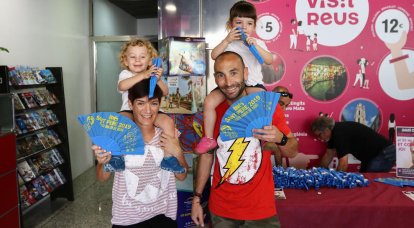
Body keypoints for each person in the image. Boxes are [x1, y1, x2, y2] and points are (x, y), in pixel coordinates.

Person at [191, 52, 298, 227]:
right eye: (221, 75)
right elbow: (207, 155)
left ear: (245, 73)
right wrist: (197, 198)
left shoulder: (267, 108)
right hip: (221, 209)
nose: (228, 82)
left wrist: (281, 139)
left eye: (234, 73)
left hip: (260, 209)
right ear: (216, 79)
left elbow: (293, 150)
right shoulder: (213, 113)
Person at [92, 79, 188, 227]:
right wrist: (103, 162)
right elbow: (102, 178)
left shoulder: (167, 135)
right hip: (127, 219)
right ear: (130, 104)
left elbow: (182, 176)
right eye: (140, 103)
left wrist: (178, 152)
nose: (147, 110)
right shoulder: (120, 137)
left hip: (163, 216)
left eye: (153, 103)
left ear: (159, 104)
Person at [194, 1, 274, 154]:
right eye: (239, 22)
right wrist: (226, 40)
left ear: (254, 27)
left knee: (263, 101)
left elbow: (269, 60)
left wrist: (255, 46)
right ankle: (209, 138)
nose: (244, 27)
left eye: (249, 23)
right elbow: (214, 55)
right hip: (231, 83)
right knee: (209, 101)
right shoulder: (229, 44)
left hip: (253, 83)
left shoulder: (258, 43)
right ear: (231, 25)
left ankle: (264, 136)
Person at [115, 39, 185, 173]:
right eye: (133, 57)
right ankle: (117, 157)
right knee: (119, 122)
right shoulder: (126, 74)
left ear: (149, 61)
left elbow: (165, 92)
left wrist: (157, 80)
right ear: (125, 61)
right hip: (129, 111)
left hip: (152, 112)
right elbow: (122, 86)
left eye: (142, 57)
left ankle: (168, 158)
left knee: (168, 122)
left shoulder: (152, 75)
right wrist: (143, 75)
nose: (137, 60)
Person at [311, 116, 396, 172]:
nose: (319, 139)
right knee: (364, 181)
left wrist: (336, 180)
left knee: (371, 184)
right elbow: (328, 155)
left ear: (326, 130)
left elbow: (343, 164)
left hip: (385, 153)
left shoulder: (339, 133)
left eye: (319, 135)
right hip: (372, 156)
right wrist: (318, 173)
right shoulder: (332, 134)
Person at [269, 86, 294, 166]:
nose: (284, 109)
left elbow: (290, 142)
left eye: (287, 106)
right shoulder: (261, 108)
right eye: (281, 104)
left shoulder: (279, 116)